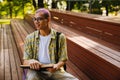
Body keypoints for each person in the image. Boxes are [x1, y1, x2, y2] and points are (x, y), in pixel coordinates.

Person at [23, 8, 79, 80]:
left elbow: (63, 59)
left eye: (39, 19)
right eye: (35, 19)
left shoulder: (60, 37)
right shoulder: (29, 38)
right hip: (36, 71)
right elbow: (25, 61)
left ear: (48, 19)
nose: (36, 22)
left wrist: (57, 66)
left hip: (54, 71)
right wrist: (31, 61)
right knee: (32, 77)